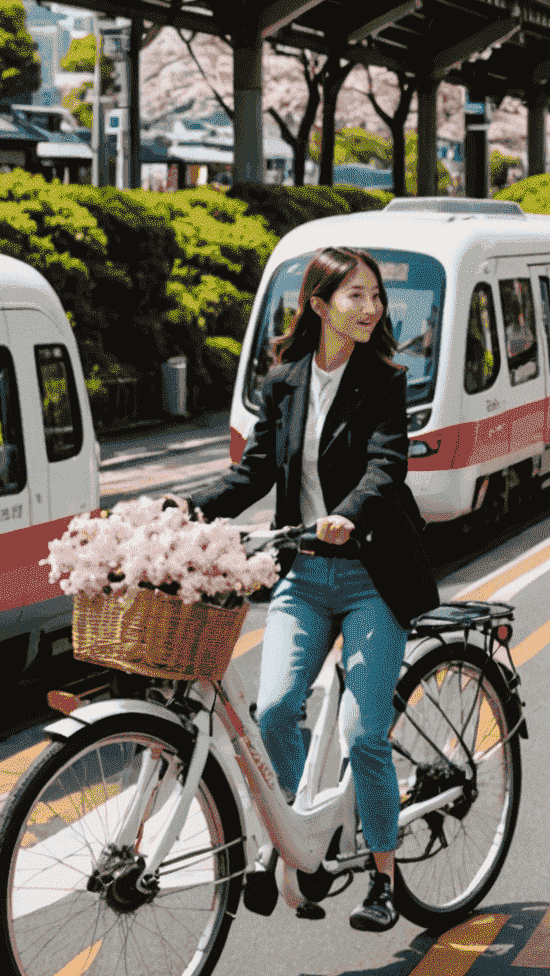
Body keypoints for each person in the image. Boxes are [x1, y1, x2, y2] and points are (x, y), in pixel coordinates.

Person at [183, 247, 439, 934]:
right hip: (303, 574)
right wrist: (190, 508)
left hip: (371, 578)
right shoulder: (285, 379)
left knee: (364, 733)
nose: (371, 308)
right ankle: (305, 843)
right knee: (274, 714)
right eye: (357, 295)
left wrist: (348, 513)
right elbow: (256, 471)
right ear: (320, 304)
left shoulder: (385, 379)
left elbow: (388, 466)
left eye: (376, 297)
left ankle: (383, 878)